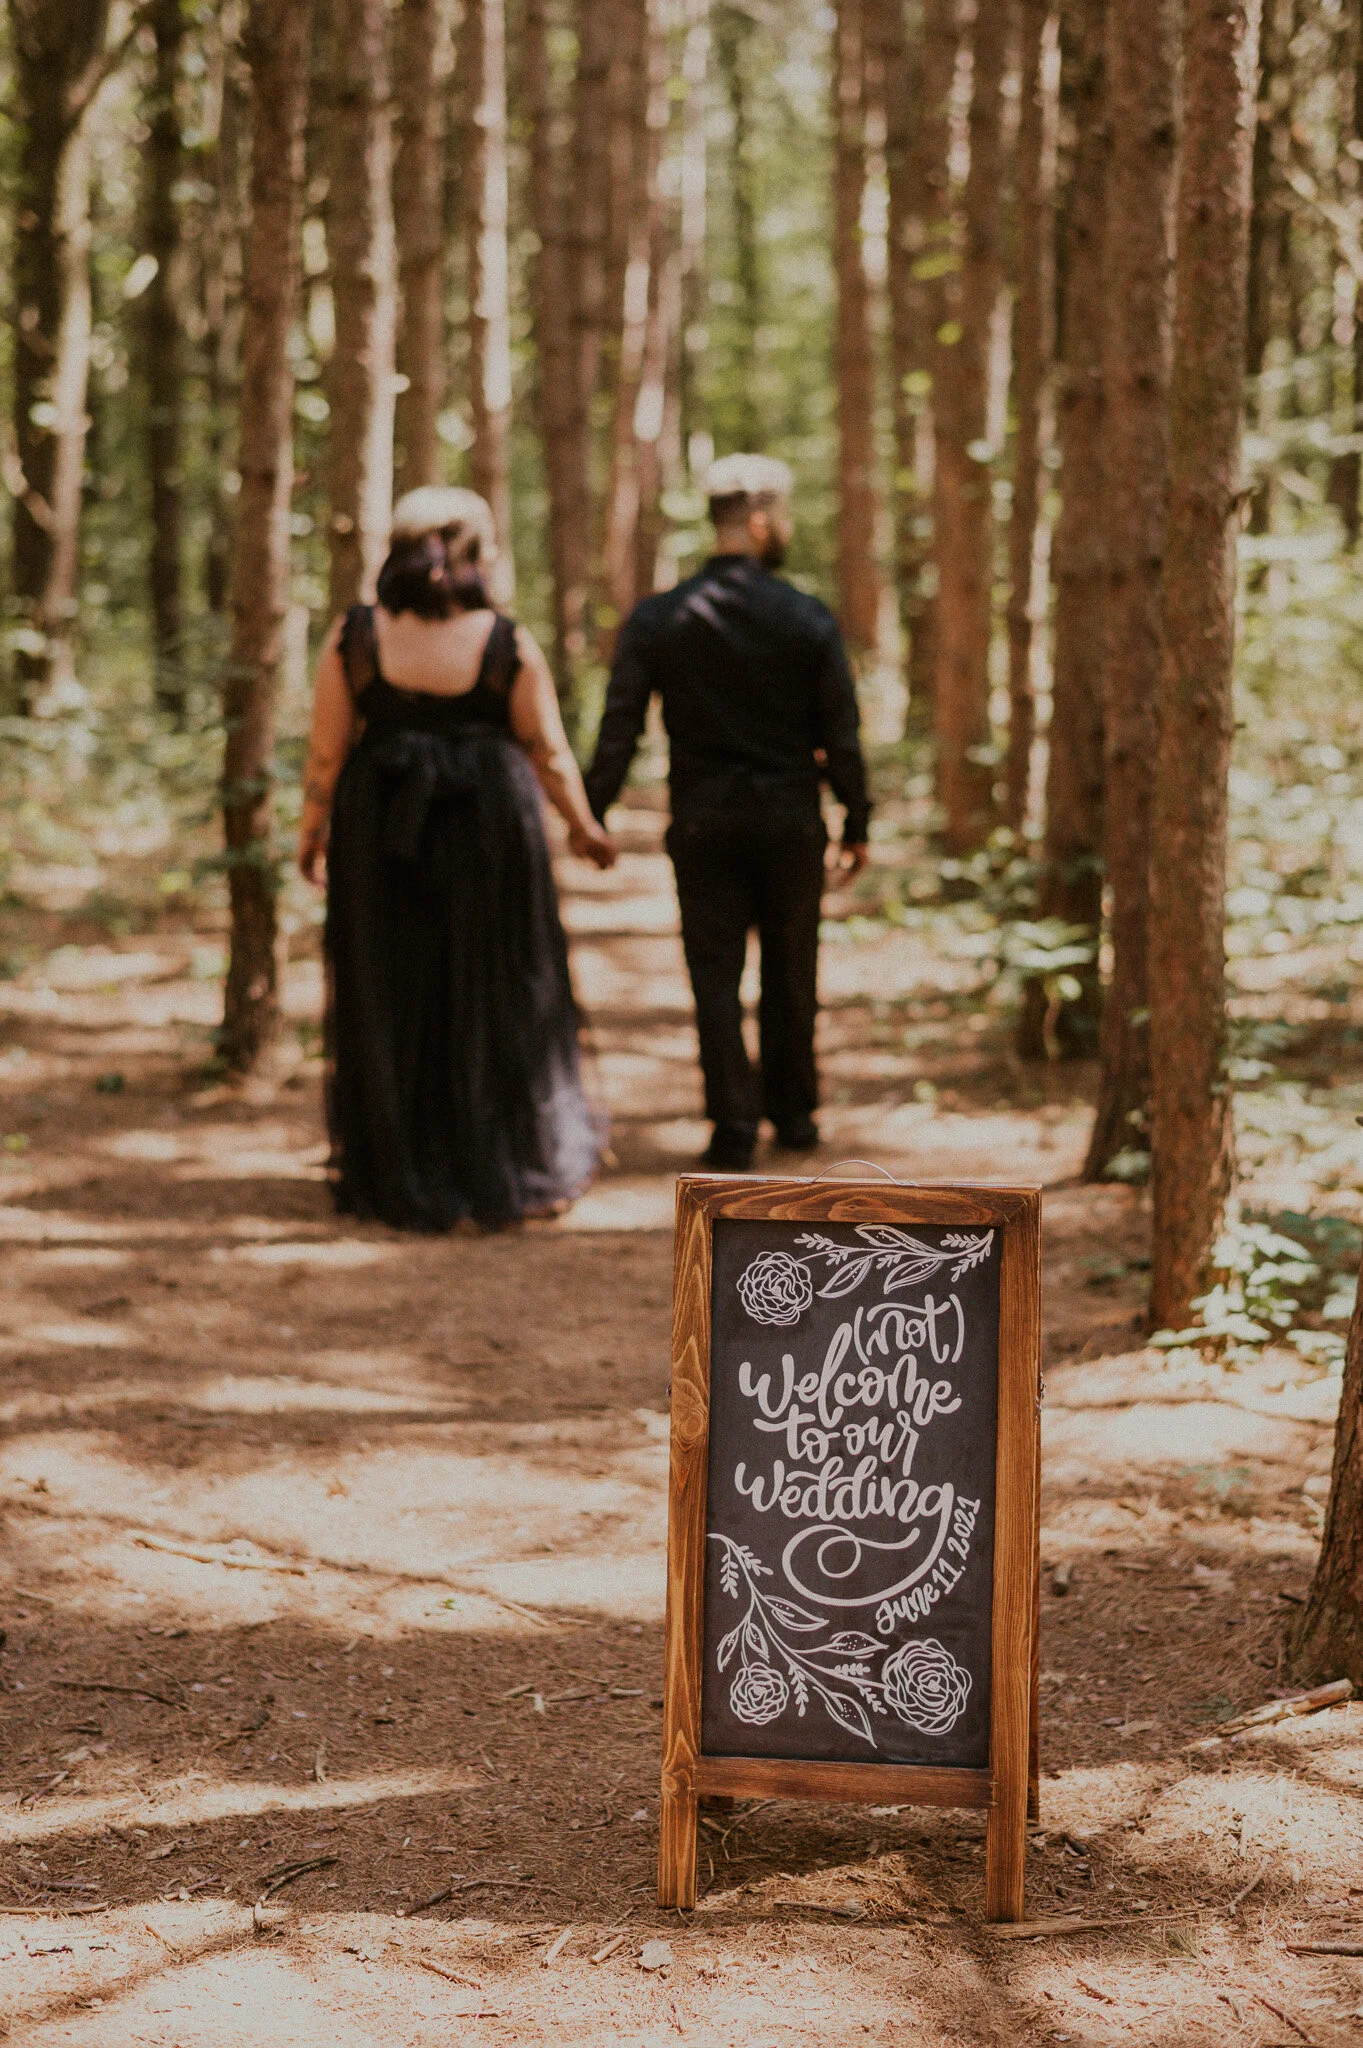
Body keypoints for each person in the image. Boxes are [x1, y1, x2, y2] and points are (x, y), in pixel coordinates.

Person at [299, 486, 616, 1230]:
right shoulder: (505, 640)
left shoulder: (354, 636)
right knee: (494, 986)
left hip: (382, 834)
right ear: (473, 553)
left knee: (394, 989)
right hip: (488, 833)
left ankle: (403, 1163)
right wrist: (584, 826)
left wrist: (310, 829)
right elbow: (546, 750)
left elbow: (325, 749)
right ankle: (500, 1158)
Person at [584, 454, 870, 1172]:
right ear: (762, 520)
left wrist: (594, 810)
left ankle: (733, 1126)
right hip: (787, 821)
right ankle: (794, 1114)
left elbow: (620, 723)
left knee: (712, 974)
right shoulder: (805, 617)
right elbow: (840, 730)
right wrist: (855, 817)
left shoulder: (660, 617)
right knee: (789, 965)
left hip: (704, 821)